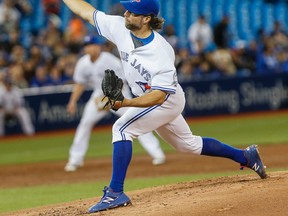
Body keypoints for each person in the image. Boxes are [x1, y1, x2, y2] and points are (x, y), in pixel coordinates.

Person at [62, 0, 267, 213]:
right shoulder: (119, 27)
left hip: (165, 100)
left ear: (146, 18)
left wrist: (125, 103)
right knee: (187, 145)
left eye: (132, 12)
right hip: (152, 98)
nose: (125, 14)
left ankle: (115, 192)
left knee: (122, 128)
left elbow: (158, 97)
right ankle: (245, 156)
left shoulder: (161, 52)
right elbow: (87, 12)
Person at [64, 34, 166, 171]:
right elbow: (80, 84)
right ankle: (75, 159)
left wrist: (110, 99)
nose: (91, 48)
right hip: (98, 97)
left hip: (119, 94)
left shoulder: (110, 60)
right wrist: (72, 102)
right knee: (85, 123)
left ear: (98, 46)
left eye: (93, 45)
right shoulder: (83, 63)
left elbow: (123, 80)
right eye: (87, 46)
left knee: (136, 121)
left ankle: (157, 153)